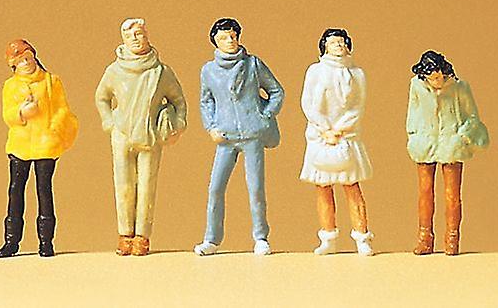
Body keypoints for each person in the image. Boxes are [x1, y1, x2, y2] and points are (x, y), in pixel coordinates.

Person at [96, 18, 187, 256]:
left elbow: (178, 100)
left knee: (147, 186)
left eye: (138, 34)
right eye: (130, 36)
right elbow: (102, 97)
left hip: (150, 135)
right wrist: (109, 122)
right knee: (123, 185)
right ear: (123, 40)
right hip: (122, 134)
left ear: (146, 35)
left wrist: (177, 124)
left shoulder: (161, 72)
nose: (135, 39)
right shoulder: (114, 71)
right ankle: (124, 234)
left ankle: (142, 236)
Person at [194, 18, 285, 256]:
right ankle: (211, 239)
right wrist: (211, 127)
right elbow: (206, 101)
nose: (230, 41)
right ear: (215, 41)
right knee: (215, 188)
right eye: (224, 37)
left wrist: (264, 115)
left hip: (252, 134)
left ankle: (261, 237)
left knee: (255, 189)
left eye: (233, 36)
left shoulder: (253, 64)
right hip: (225, 136)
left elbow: (276, 91)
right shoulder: (208, 71)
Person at [0, 39, 78, 258]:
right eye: (20, 60)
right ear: (13, 65)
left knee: (44, 191)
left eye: (28, 58)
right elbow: (7, 114)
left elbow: (62, 109)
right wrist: (22, 113)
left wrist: (53, 127)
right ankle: (11, 241)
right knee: (15, 191)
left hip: (45, 143)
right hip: (20, 145)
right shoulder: (10, 86)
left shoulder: (51, 81)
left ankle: (46, 241)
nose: (26, 63)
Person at [299, 28, 376, 256]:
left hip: (347, 136)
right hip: (320, 136)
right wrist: (325, 129)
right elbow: (308, 102)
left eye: (341, 42)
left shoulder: (357, 74)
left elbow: (358, 106)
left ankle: (362, 237)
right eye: (333, 42)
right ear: (324, 46)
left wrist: (340, 129)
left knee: (352, 186)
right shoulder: (315, 71)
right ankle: (328, 237)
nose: (338, 46)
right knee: (323, 187)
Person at [406, 51, 488, 255]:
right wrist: (413, 135)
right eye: (432, 78)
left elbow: (472, 116)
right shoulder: (416, 86)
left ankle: (452, 238)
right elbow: (413, 113)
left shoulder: (460, 87)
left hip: (451, 144)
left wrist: (461, 136)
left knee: (452, 195)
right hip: (425, 143)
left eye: (439, 77)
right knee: (425, 192)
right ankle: (425, 237)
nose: (437, 82)